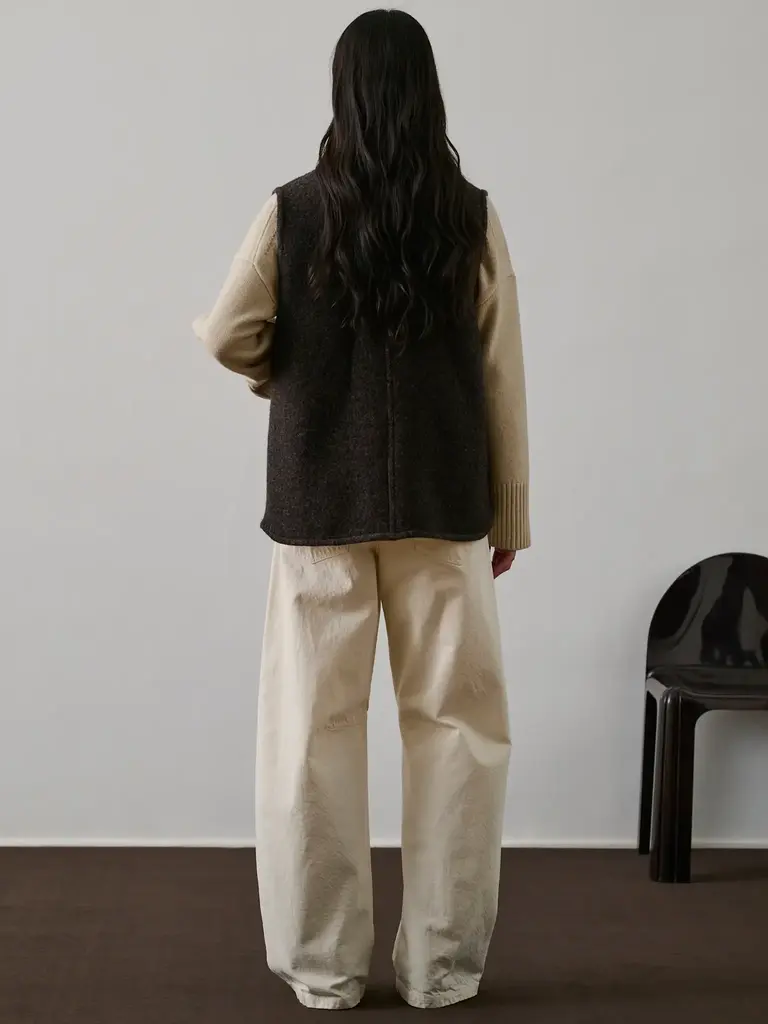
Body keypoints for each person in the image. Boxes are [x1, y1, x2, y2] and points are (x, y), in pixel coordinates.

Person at [193, 8, 530, 1011]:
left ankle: (324, 967)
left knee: (310, 737)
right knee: (459, 734)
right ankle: (442, 968)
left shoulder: (292, 211)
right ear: (427, 93)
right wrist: (508, 514)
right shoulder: (470, 215)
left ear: (342, 92)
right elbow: (501, 372)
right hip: (443, 506)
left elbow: (226, 333)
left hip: (318, 511)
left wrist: (286, 377)